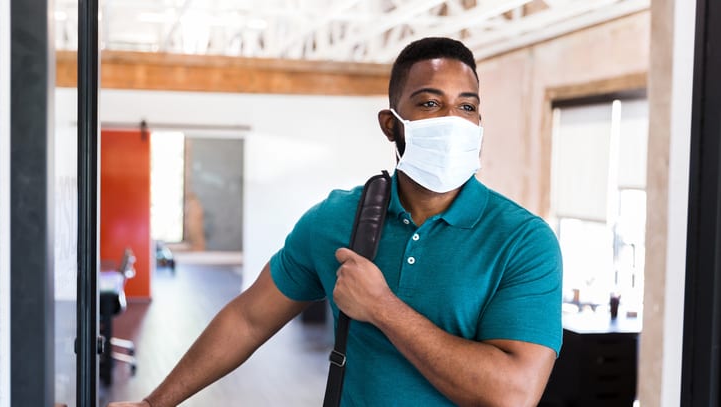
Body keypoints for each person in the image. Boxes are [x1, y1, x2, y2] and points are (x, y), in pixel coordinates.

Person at [109, 36, 562, 407]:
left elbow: (512, 393)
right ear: (391, 124)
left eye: (466, 107)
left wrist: (382, 308)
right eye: (429, 104)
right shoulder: (337, 220)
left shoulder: (523, 240)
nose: (452, 122)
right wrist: (155, 403)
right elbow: (249, 318)